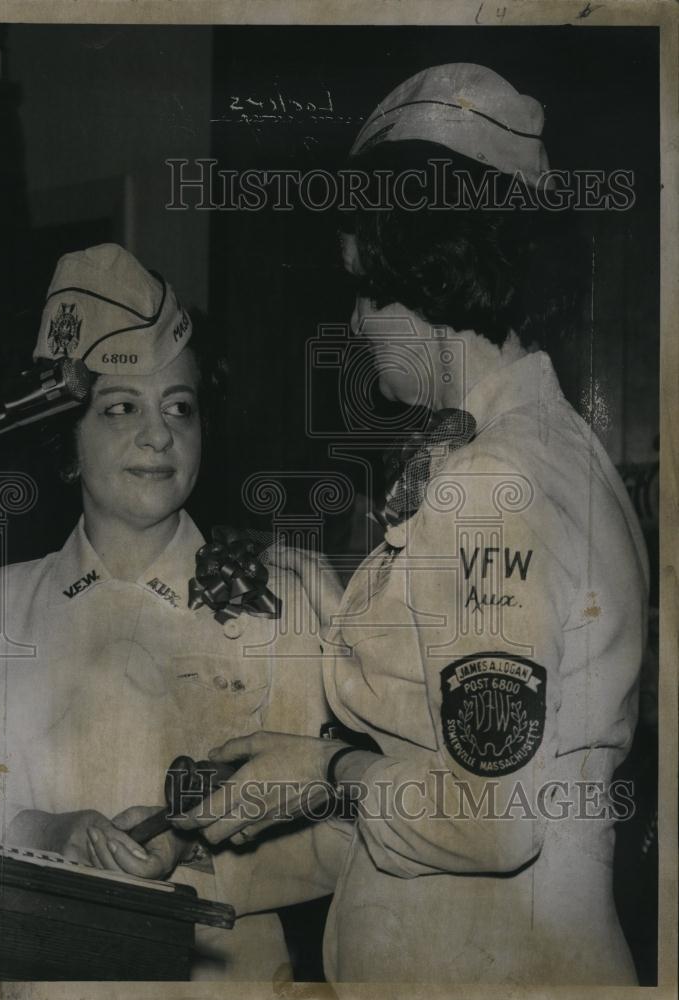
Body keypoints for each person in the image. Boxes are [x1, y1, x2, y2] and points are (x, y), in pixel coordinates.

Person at [173, 64, 650, 985]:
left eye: (364, 289)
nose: (354, 323)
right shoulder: (549, 453)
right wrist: (212, 851)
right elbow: (427, 789)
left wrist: (321, 769)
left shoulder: (491, 485)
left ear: (423, 271)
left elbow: (489, 821)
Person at [0, 243, 344, 981]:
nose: (159, 435)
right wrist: (53, 835)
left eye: (179, 406)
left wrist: (198, 847)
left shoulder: (291, 594)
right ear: (67, 440)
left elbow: (345, 824)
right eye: (121, 407)